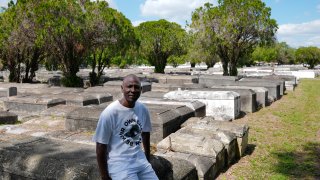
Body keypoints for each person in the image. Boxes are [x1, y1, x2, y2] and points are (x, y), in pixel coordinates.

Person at [93, 74, 158, 180]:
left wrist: (147, 158)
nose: (133, 90)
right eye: (129, 86)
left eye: (136, 87)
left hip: (140, 161)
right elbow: (100, 146)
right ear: (122, 88)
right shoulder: (110, 113)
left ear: (141, 90)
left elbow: (145, 133)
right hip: (120, 164)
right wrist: (104, 176)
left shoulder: (142, 109)